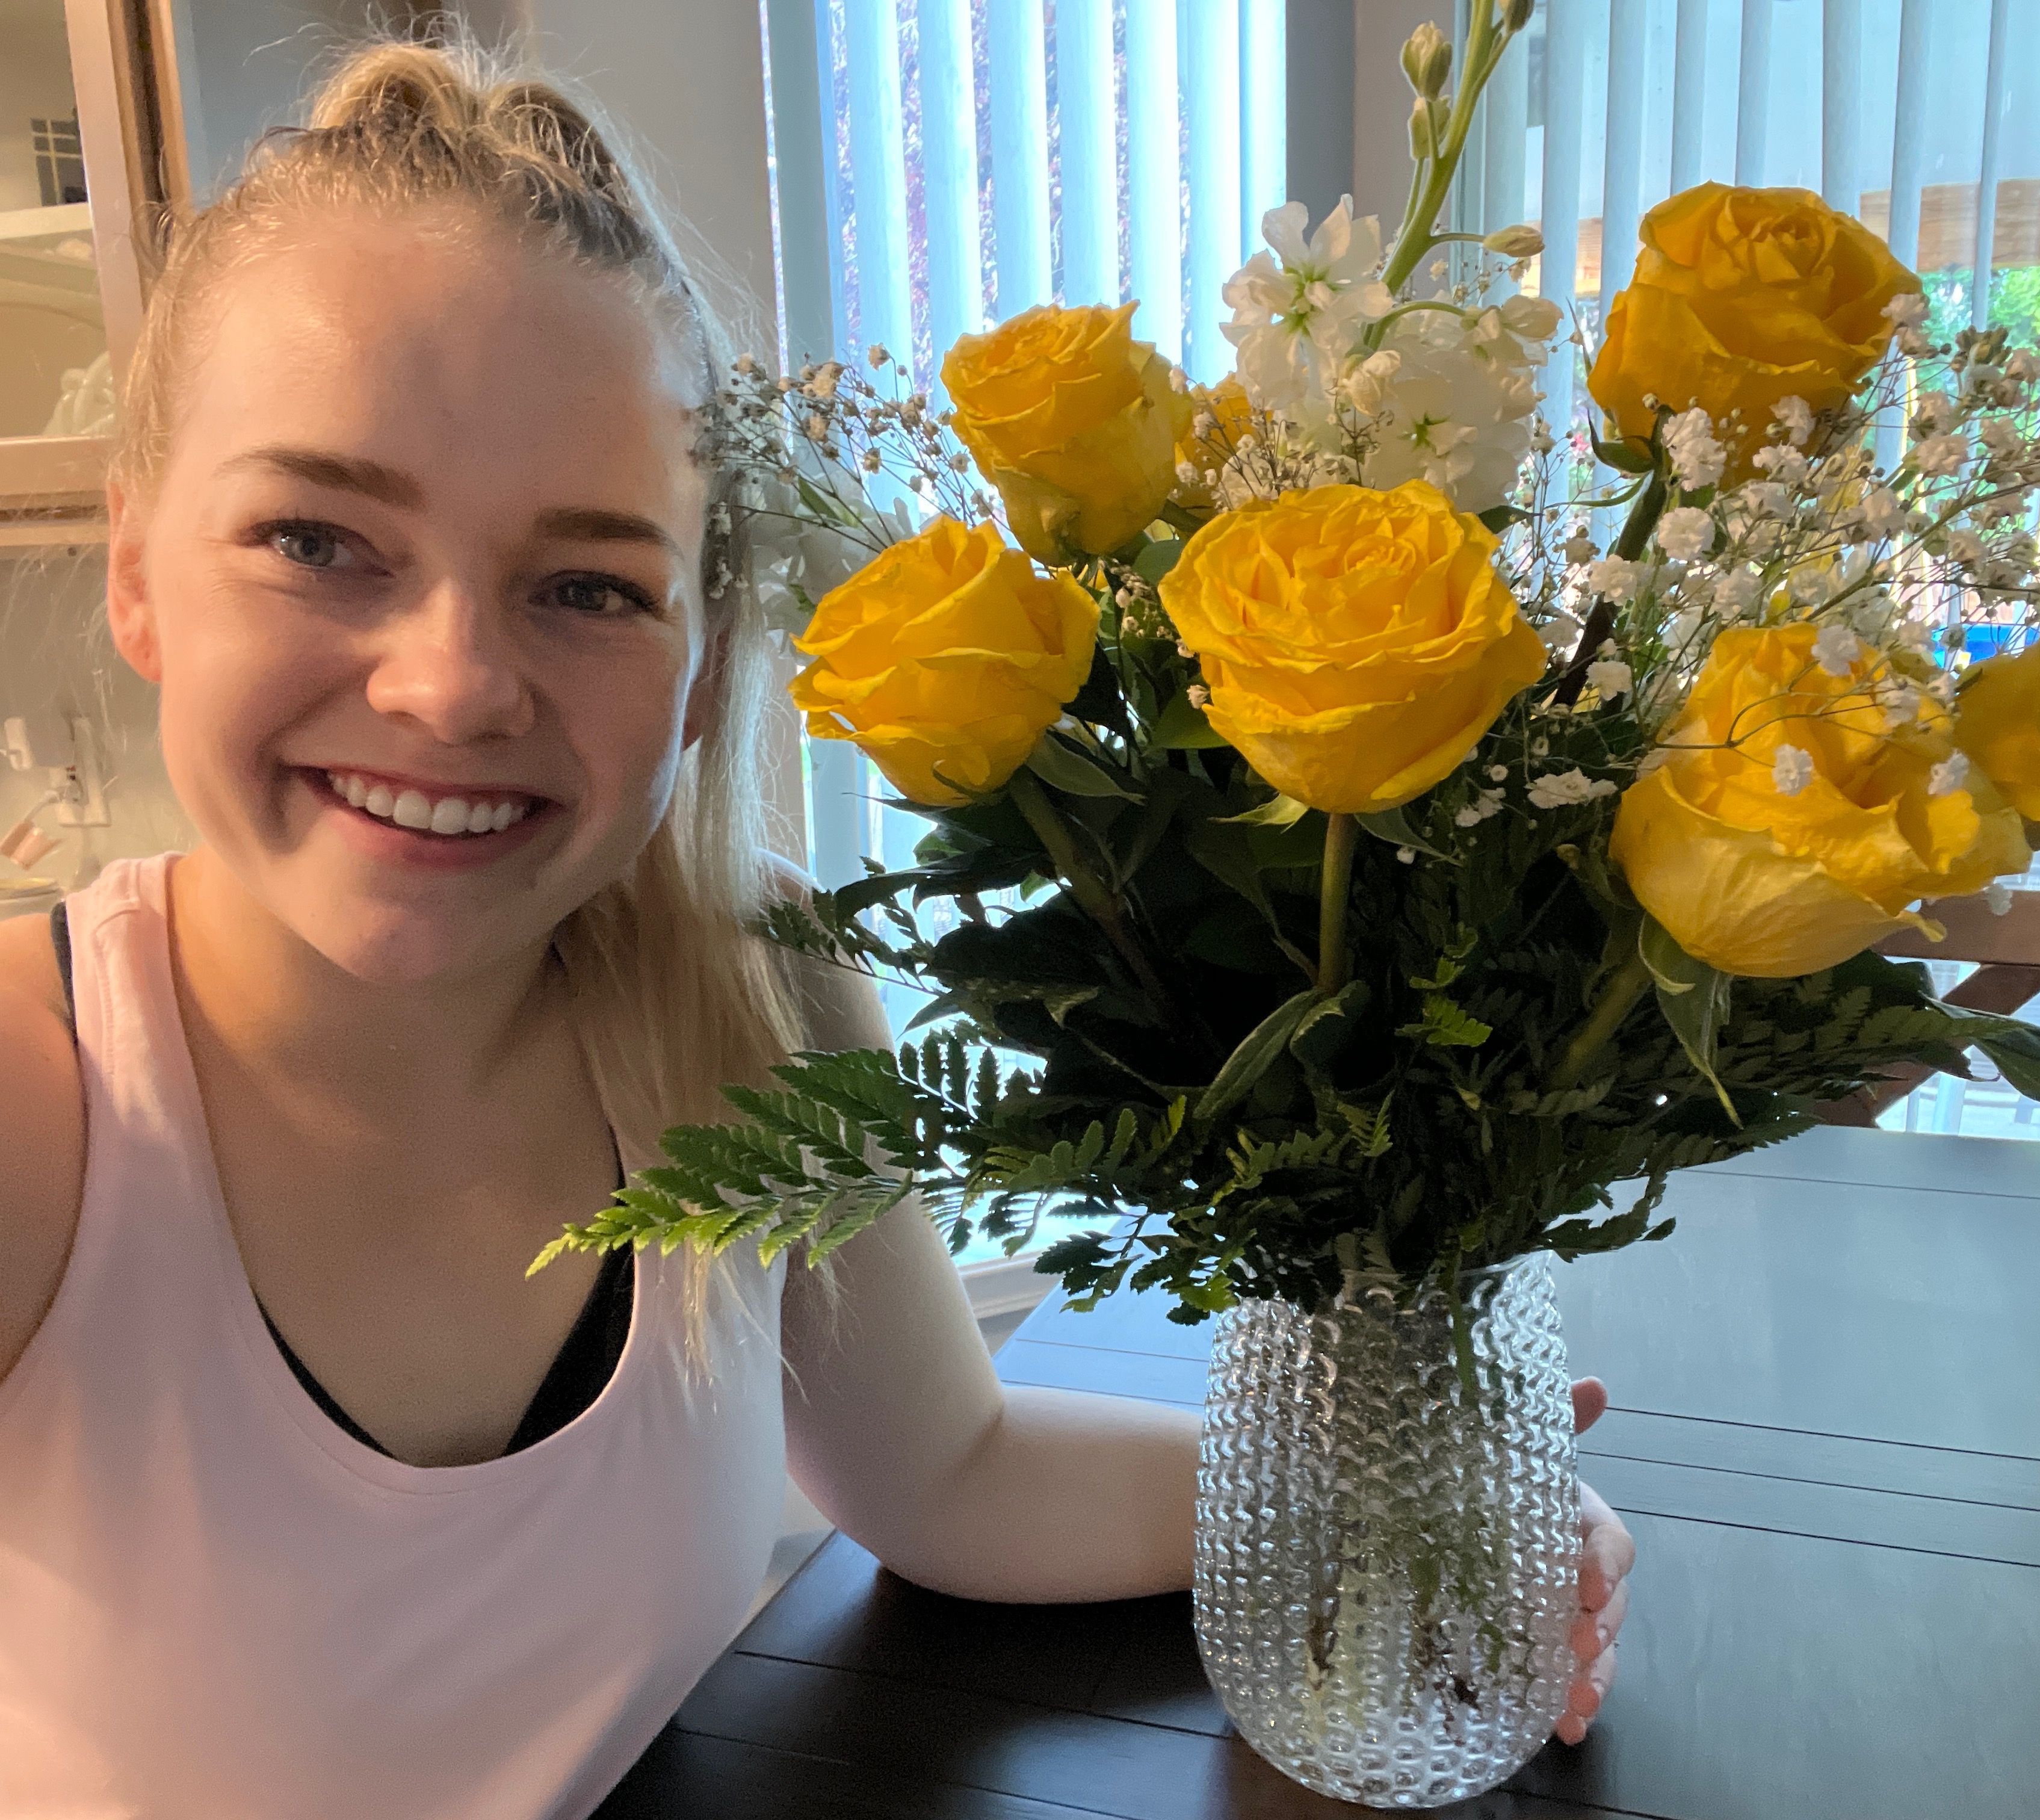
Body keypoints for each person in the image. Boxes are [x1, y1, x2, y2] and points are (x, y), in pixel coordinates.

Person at [0, 37, 1632, 1816]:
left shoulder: (752, 987)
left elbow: (955, 1474)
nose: (455, 684)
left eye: (586, 586)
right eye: (319, 540)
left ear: (703, 670)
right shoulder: (44, 1096)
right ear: (138, 567)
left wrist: (1419, 1507)